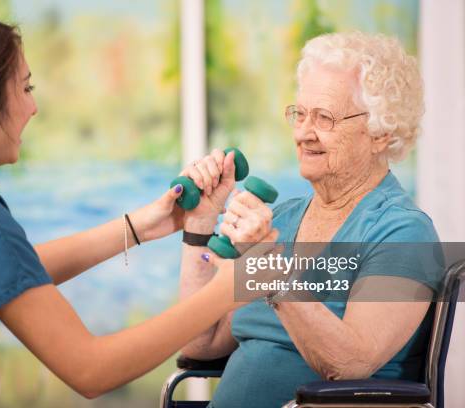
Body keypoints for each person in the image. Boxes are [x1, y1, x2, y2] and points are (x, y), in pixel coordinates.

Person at [0, 10, 272, 406]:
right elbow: (91, 370)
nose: (33, 108)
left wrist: (139, 227)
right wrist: (233, 287)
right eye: (26, 89)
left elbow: (1, 271)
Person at [179, 31, 440, 407]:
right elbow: (201, 342)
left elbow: (349, 365)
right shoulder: (281, 219)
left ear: (381, 133)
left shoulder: (404, 233)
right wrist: (200, 223)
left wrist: (268, 266)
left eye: (324, 118)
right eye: (299, 114)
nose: (303, 133)